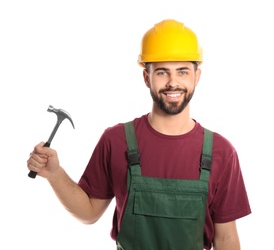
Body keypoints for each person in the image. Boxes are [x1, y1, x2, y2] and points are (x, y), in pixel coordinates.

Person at [27, 19, 251, 250]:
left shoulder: (221, 152)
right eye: (162, 72)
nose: (173, 83)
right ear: (147, 77)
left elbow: (226, 238)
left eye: (182, 71)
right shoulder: (116, 141)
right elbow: (89, 212)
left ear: (196, 76)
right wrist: (55, 174)